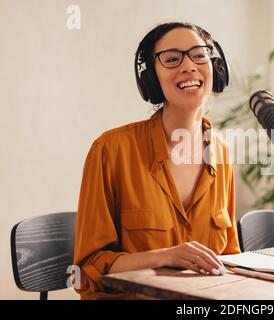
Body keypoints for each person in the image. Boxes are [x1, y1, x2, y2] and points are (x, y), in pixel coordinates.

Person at [73, 22, 240, 300]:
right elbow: (88, 267)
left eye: (199, 55)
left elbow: (229, 256)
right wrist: (165, 256)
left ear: (215, 68)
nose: (188, 66)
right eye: (172, 59)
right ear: (151, 78)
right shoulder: (111, 149)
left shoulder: (220, 151)